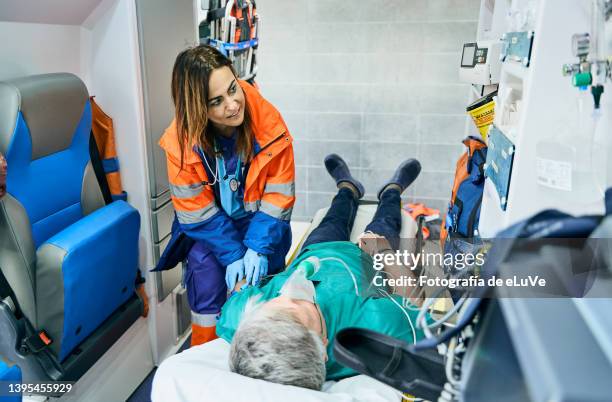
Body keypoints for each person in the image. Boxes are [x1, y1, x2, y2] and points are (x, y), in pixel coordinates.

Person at [216, 154, 424, 390]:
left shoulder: (243, 320)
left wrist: (241, 273)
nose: (292, 289)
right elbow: (417, 304)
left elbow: (237, 293)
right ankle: (392, 191)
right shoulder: (371, 332)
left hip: (318, 249)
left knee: (335, 217)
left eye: (273, 302)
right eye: (300, 309)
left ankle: (348, 187)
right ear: (323, 347)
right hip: (368, 261)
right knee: (386, 223)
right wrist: (386, 255)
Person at [158, 45, 295, 346]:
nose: (233, 105)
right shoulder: (180, 144)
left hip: (259, 220)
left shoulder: (268, 124)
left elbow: (278, 194)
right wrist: (233, 254)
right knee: (206, 276)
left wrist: (257, 247)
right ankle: (205, 359)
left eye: (233, 89)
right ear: (198, 108)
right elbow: (197, 212)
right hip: (209, 228)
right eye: (216, 102)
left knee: (264, 284)